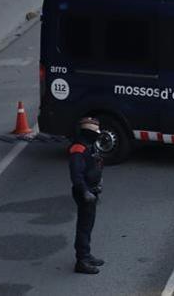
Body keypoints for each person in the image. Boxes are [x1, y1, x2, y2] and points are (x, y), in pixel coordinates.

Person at [68, 116, 104, 274]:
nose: (98, 134)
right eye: (95, 131)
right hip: (85, 193)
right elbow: (76, 175)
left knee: (88, 225)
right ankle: (82, 261)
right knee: (84, 226)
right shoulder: (78, 149)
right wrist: (85, 192)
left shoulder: (89, 145)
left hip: (92, 190)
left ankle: (86, 255)